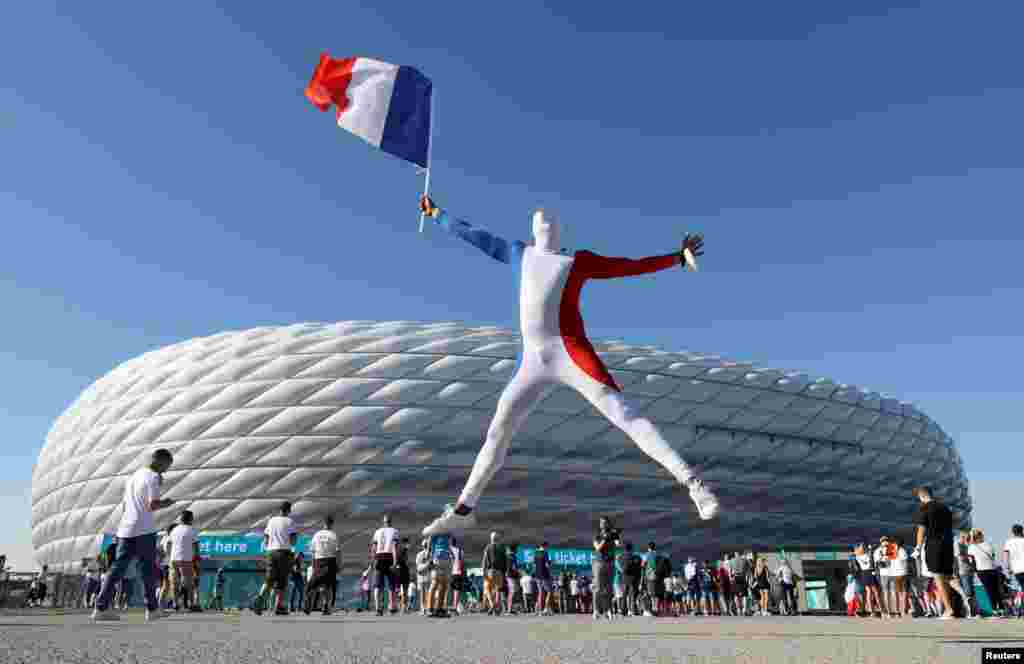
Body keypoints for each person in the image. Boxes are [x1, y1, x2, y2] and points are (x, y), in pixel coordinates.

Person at [419, 196, 718, 537]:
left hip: (571, 353)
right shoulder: (518, 252)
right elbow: (472, 234)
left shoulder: (578, 261)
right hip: (532, 361)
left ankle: (694, 484)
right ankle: (463, 509)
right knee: (498, 431)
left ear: (559, 231)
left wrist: (676, 258)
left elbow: (627, 266)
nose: (545, 218)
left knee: (624, 414)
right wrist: (437, 213)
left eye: (551, 218)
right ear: (533, 228)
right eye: (540, 217)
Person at [92, 449, 175, 622]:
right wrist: (167, 502)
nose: (167, 469)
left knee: (116, 569)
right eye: (168, 465)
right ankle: (152, 610)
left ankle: (100, 608)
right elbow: (152, 505)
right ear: (161, 461)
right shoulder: (152, 477)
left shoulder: (134, 477)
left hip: (125, 529)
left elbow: (125, 505)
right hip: (144, 530)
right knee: (148, 571)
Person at [912, 485, 956, 619]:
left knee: (937, 577)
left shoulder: (924, 508)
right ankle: (948, 608)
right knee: (947, 577)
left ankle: (948, 609)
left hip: (934, 544)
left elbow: (921, 529)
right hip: (948, 544)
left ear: (922, 496)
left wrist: (918, 547)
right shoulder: (945, 508)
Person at [262, 501, 297, 616]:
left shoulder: (271, 520)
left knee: (269, 579)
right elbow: (293, 541)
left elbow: (266, 538)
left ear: (279, 510)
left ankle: (260, 596)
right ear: (289, 510)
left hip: (271, 552)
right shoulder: (290, 521)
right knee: (282, 582)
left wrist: (269, 546)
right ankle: (279, 606)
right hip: (284, 553)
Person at [306, 516, 341, 615]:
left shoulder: (316, 535)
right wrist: (339, 564)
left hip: (318, 560)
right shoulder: (333, 535)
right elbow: (338, 552)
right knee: (328, 586)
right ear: (331, 524)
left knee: (315, 584)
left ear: (323, 524)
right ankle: (326, 607)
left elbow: (312, 551)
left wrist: (313, 563)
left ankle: (309, 602)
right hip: (330, 560)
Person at [969, 528, 1006, 617]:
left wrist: (975, 572)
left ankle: (995, 610)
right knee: (997, 590)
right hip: (993, 569)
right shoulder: (989, 544)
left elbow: (972, 561)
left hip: (982, 571)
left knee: (990, 591)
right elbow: (993, 555)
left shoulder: (971, 547)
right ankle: (1002, 609)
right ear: (981, 535)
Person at [169, 510, 199, 612]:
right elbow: (195, 545)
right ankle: (191, 603)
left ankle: (175, 603)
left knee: (174, 582)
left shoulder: (174, 530)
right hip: (185, 559)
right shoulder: (191, 530)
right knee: (188, 582)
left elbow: (169, 543)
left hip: (173, 559)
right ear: (190, 519)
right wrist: (196, 557)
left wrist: (170, 555)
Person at [370, 515, 400, 616]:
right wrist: (395, 562)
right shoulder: (395, 531)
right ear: (391, 521)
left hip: (379, 558)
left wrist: (373, 560)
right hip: (389, 557)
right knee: (391, 585)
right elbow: (394, 547)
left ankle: (378, 608)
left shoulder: (377, 532)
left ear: (383, 522)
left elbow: (373, 548)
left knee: (378, 585)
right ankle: (392, 607)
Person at [592, 517, 620, 620]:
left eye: (605, 523)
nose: (602, 524)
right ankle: (596, 610)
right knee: (598, 588)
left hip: (610, 563)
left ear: (608, 524)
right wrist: (605, 539)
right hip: (599, 563)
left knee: (609, 588)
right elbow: (598, 548)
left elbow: (618, 544)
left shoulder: (612, 534)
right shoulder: (597, 535)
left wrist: (616, 535)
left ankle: (608, 610)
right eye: (601, 522)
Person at [481, 532, 506, 616]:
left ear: (491, 539)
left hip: (490, 571)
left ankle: (492, 605)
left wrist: (483, 571)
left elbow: (484, 560)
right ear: (498, 539)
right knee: (497, 589)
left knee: (487, 589)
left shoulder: (488, 547)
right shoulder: (502, 548)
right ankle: (497, 607)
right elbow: (505, 561)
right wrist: (504, 572)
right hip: (499, 571)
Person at [429, 534, 453, 618]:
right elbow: (430, 545)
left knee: (444, 585)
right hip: (437, 559)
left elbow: (448, 545)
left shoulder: (448, 532)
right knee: (435, 583)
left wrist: (452, 554)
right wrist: (430, 558)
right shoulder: (435, 532)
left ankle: (439, 609)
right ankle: (430, 608)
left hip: (446, 559)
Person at [1003, 524, 1024, 610]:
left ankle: (1020, 606)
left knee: (1022, 587)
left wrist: (1007, 568)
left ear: (1012, 532)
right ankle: (1021, 606)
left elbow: (1006, 556)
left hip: (1016, 569)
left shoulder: (1008, 542)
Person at [533, 541, 553, 615]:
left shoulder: (536, 553)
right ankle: (546, 608)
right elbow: (547, 565)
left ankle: (538, 610)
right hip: (544, 575)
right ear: (545, 546)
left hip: (537, 575)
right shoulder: (545, 553)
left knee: (540, 592)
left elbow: (534, 565)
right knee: (549, 591)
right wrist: (551, 562)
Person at [415, 539, 432, 616]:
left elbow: (418, 565)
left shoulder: (419, 554)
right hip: (425, 575)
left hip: (424, 575)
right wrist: (427, 565)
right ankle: (426, 608)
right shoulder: (430, 554)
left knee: (424, 593)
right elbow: (419, 566)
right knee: (427, 592)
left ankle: (424, 608)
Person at [450, 537, 466, 615]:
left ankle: (442, 606)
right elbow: (462, 564)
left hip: (448, 572)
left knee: (445, 590)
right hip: (457, 573)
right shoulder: (460, 551)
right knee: (456, 591)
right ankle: (455, 607)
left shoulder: (447, 549)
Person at [396, 537, 412, 613]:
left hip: (401, 572)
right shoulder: (402, 550)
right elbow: (403, 560)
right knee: (402, 590)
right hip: (402, 572)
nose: (409, 545)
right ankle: (402, 607)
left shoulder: (399, 549)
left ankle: (402, 607)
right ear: (404, 543)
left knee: (401, 590)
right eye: (408, 543)